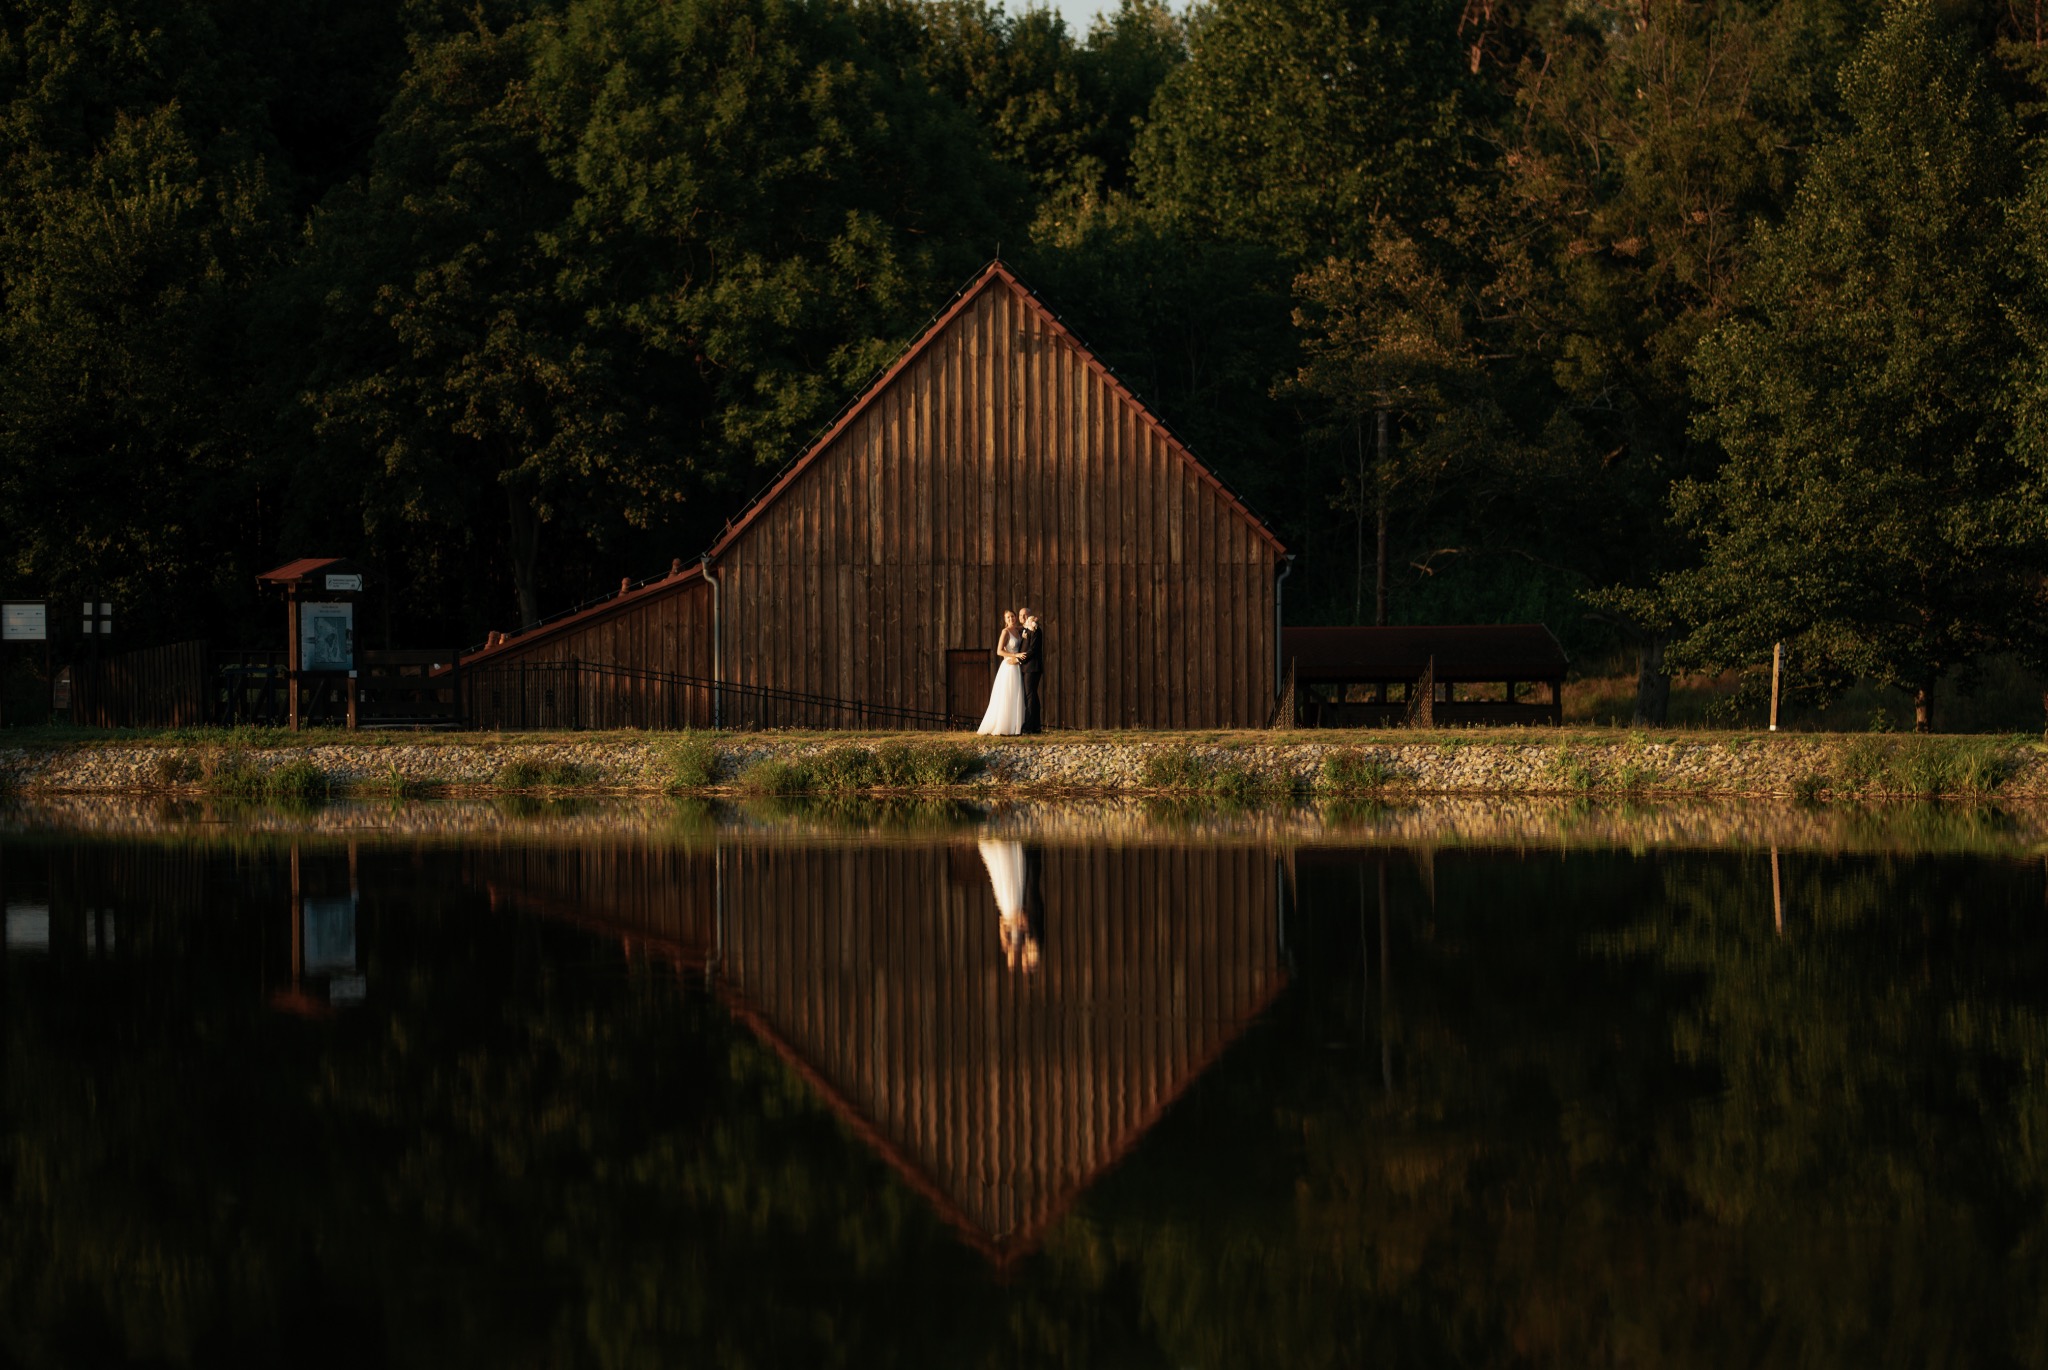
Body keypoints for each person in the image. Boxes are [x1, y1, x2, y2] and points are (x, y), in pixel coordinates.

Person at [975, 608, 1027, 735]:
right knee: (1007, 695)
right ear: (1005, 620)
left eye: (1013, 616)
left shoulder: (1018, 630)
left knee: (1016, 694)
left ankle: (1016, 726)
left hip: (1017, 666)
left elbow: (1028, 625)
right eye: (1008, 617)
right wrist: (1016, 655)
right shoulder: (1005, 632)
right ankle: (1004, 726)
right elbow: (999, 651)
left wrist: (1032, 621)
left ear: (1016, 617)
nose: (1011, 619)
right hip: (1008, 667)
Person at [1017, 610, 1045, 735]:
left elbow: (1033, 649)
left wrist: (1018, 659)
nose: (1023, 617)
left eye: (1025, 614)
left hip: (1032, 667)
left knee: (1030, 696)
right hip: (1025, 667)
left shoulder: (1035, 629)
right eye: (1020, 615)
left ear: (1030, 615)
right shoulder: (1024, 630)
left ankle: (1029, 727)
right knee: (1032, 696)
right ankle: (1036, 726)